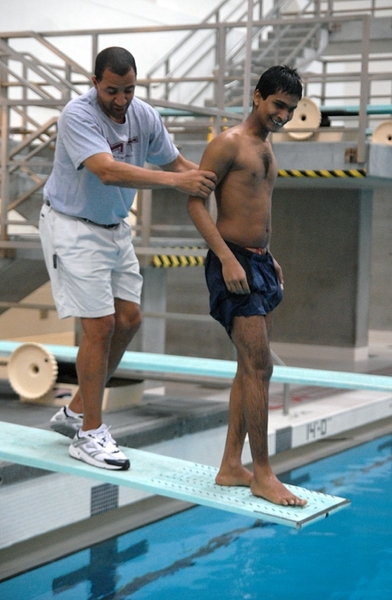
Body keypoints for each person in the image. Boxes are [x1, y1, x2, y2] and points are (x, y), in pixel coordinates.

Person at [39, 47, 216, 471]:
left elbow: (174, 161)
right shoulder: (77, 116)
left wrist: (218, 182)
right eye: (112, 90)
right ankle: (89, 435)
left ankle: (75, 411)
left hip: (114, 227)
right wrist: (178, 181)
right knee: (99, 326)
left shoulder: (144, 115)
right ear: (96, 82)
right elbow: (108, 170)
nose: (121, 99)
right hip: (73, 226)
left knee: (130, 318)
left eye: (129, 89)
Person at [187, 65, 307, 506]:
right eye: (278, 105)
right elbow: (195, 203)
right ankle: (263, 473)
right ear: (257, 96)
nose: (284, 115)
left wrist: (266, 254)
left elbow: (254, 207)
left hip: (257, 263)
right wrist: (225, 258)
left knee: (248, 367)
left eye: (291, 110)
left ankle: (230, 466)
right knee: (261, 368)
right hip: (232, 262)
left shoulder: (266, 146)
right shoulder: (228, 144)